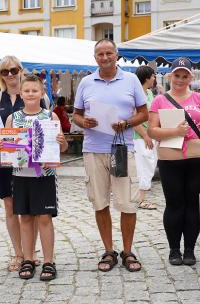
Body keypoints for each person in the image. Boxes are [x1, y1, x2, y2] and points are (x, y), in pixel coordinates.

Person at [73, 39, 148, 272]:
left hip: (122, 150)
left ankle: (127, 251)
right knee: (100, 202)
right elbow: (75, 115)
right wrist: (83, 121)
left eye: (108, 53)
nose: (104, 57)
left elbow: (144, 113)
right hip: (94, 150)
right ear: (95, 57)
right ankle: (108, 250)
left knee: (127, 203)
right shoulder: (86, 82)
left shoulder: (131, 80)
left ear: (117, 55)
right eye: (99, 54)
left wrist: (127, 123)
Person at [148, 57, 200, 266]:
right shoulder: (159, 100)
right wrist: (175, 131)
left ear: (190, 77)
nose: (180, 79)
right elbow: (152, 130)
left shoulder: (199, 98)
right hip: (171, 158)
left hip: (198, 158)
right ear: (170, 76)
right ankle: (173, 250)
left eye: (184, 75)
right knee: (174, 204)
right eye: (176, 75)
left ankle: (189, 249)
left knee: (193, 204)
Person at [3, 74, 68, 280]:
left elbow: (63, 148)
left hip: (45, 174)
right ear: (21, 93)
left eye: (35, 91)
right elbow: (8, 148)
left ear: (42, 93)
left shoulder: (50, 117)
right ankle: (28, 259)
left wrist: (61, 141)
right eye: (27, 91)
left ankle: (49, 261)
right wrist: (3, 146)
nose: (31, 94)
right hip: (21, 174)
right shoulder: (13, 118)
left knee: (44, 218)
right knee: (25, 218)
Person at [0, 55, 39, 271]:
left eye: (14, 70)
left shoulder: (31, 93)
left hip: (28, 159)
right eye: (5, 71)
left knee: (31, 207)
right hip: (5, 159)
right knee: (10, 207)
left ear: (20, 70)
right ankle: (18, 254)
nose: (10, 74)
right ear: (0, 75)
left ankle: (31, 252)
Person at [134, 66, 158, 210]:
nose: (154, 78)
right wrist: (145, 135)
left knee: (150, 165)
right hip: (139, 136)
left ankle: (141, 198)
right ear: (147, 78)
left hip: (150, 134)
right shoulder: (136, 94)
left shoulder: (149, 93)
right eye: (153, 76)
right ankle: (140, 200)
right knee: (142, 167)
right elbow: (133, 118)